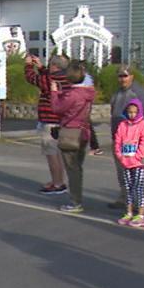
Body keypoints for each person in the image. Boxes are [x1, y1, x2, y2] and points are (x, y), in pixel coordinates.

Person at [52, 61, 95, 214]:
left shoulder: (72, 95)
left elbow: (57, 108)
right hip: (83, 132)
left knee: (72, 169)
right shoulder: (88, 93)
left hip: (71, 133)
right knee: (77, 167)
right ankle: (77, 198)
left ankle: (76, 201)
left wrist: (54, 93)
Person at [25, 52, 69, 194]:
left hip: (50, 121)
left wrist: (28, 65)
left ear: (54, 66)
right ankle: (59, 180)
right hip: (62, 121)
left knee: (52, 154)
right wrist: (41, 67)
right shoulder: (66, 78)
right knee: (58, 153)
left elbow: (32, 78)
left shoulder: (50, 79)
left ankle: (57, 184)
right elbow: (46, 78)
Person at [107, 67, 144, 209]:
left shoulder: (137, 93)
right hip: (119, 137)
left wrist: (139, 136)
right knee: (122, 171)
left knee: (139, 172)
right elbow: (113, 112)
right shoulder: (117, 93)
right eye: (120, 76)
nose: (122, 79)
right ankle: (125, 198)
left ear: (131, 76)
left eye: (125, 76)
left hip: (134, 140)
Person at [113, 98, 144, 226]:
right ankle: (129, 212)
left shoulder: (143, 125)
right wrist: (120, 156)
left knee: (139, 188)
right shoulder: (122, 125)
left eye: (135, 112)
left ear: (139, 112)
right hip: (125, 162)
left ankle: (140, 215)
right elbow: (118, 140)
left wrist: (138, 156)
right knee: (128, 188)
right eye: (130, 112)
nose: (132, 115)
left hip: (139, 163)